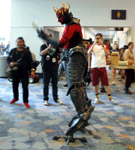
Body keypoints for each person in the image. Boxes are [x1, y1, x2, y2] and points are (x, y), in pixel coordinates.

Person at [34, 3, 94, 140]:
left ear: (65, 15)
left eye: (59, 17)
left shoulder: (72, 25)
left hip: (75, 57)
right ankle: (83, 112)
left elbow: (62, 42)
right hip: (73, 56)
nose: (58, 20)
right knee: (78, 85)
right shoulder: (70, 25)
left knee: (74, 87)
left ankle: (82, 114)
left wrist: (47, 38)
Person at [88, 33, 117, 105]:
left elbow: (108, 53)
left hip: (102, 66)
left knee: (105, 83)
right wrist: (94, 44)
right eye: (97, 38)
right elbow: (88, 53)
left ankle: (110, 98)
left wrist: (103, 45)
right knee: (95, 83)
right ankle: (97, 97)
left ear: (101, 39)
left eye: (99, 38)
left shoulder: (104, 46)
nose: (98, 39)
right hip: (94, 66)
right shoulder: (92, 46)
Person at [7, 37, 35, 108]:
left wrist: (32, 70)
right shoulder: (12, 51)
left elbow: (31, 62)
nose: (19, 43)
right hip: (15, 71)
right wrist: (10, 63)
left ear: (23, 43)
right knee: (14, 86)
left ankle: (26, 101)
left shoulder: (27, 52)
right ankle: (15, 98)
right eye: (18, 42)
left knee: (25, 87)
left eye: (21, 42)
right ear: (16, 43)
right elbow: (8, 59)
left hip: (24, 72)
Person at [40, 39, 63, 106]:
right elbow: (42, 53)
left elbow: (60, 51)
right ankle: (45, 99)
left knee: (55, 84)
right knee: (45, 85)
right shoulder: (43, 46)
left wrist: (59, 45)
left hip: (54, 68)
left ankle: (56, 98)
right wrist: (49, 47)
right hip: (46, 69)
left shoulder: (55, 46)